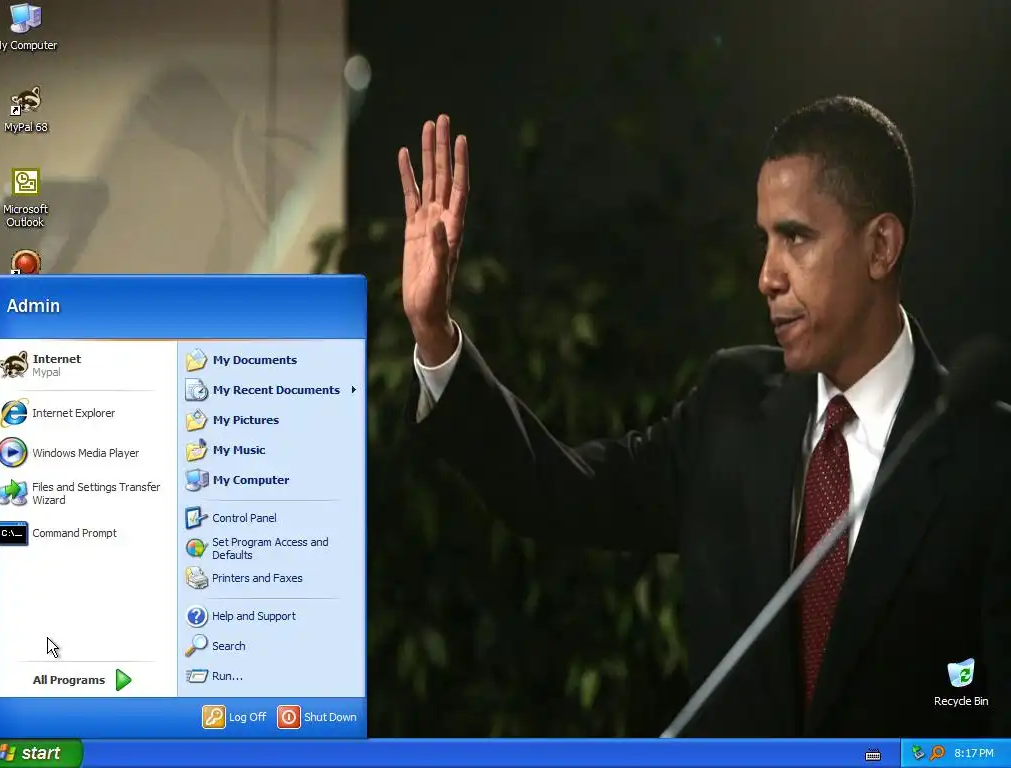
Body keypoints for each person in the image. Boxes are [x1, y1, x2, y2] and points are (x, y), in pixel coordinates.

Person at [396, 97, 1011, 736]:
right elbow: (555, 492)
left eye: (796, 238)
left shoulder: (990, 460)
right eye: (765, 240)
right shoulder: (732, 405)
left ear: (880, 246)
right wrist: (434, 334)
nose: (767, 276)